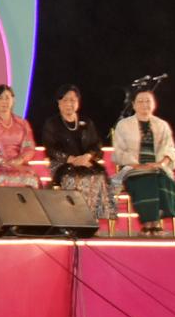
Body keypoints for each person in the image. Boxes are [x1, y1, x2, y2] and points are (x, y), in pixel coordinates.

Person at [40, 84, 117, 226]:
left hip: (86, 162)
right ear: (59, 103)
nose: (69, 103)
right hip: (62, 164)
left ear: (78, 102)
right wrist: (71, 159)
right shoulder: (52, 123)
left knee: (97, 177)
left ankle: (91, 221)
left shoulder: (86, 122)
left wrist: (88, 156)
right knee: (76, 179)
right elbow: (50, 149)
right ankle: (75, 221)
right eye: (65, 100)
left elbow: (96, 145)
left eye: (73, 100)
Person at [112, 90, 175, 236]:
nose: (144, 104)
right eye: (140, 101)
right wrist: (136, 164)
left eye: (148, 101)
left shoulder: (162, 125)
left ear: (154, 104)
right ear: (133, 105)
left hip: (157, 168)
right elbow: (119, 152)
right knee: (146, 180)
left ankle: (153, 225)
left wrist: (161, 163)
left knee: (164, 180)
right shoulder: (123, 125)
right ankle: (149, 225)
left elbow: (169, 149)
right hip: (132, 168)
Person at [0, 84, 40, 188]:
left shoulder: (22, 124)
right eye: (0, 98)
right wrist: (2, 162)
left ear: (13, 100)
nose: (4, 101)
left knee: (31, 179)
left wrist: (20, 160)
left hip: (20, 165)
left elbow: (29, 147)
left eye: (7, 98)